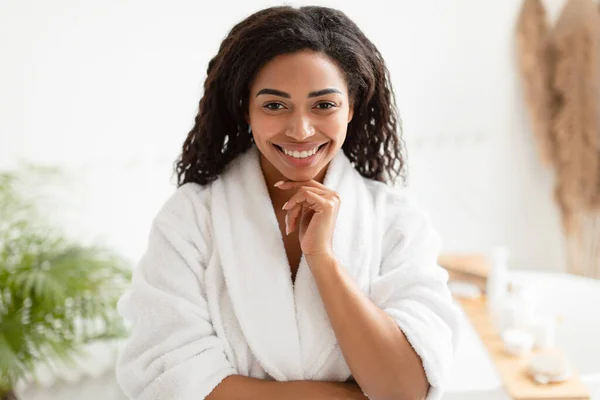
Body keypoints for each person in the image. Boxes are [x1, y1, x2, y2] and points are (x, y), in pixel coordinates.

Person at [116, 5, 460, 400]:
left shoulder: (396, 223)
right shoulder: (191, 219)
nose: (300, 130)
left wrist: (324, 261)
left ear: (353, 107)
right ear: (245, 108)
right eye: (275, 105)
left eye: (324, 105)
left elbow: (404, 389)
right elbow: (172, 380)